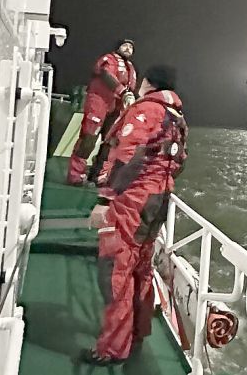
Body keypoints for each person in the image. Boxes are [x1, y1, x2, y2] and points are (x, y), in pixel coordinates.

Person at [82, 65, 188, 365]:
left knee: (115, 269)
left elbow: (127, 156)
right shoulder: (177, 117)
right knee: (141, 267)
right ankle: (137, 331)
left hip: (135, 199)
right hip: (159, 198)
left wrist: (105, 199)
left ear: (148, 84)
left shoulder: (148, 112)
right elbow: (180, 161)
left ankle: (112, 349)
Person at [67, 39, 137, 186]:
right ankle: (76, 174)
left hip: (117, 106)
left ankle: (98, 174)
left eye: (131, 47)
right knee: (89, 137)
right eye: (125, 45)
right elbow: (106, 75)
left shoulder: (131, 68)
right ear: (118, 46)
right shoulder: (109, 59)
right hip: (99, 100)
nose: (128, 48)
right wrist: (122, 91)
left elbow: (130, 88)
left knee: (110, 141)